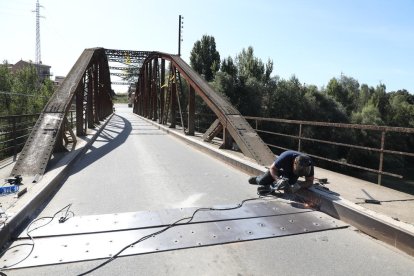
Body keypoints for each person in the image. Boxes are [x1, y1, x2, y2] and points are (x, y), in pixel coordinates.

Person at [248, 150, 314, 195]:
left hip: (292, 174)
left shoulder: (309, 164)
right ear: (294, 163)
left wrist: (299, 185)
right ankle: (258, 178)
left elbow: (310, 181)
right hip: (280, 170)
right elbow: (272, 168)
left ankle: (271, 186)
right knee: (262, 181)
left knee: (288, 187)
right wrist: (277, 179)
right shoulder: (286, 157)